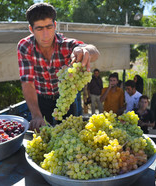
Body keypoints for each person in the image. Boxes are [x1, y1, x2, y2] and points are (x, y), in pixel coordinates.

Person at [17, 3, 100, 131]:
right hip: (41, 100)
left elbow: (93, 51)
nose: (45, 35)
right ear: (31, 29)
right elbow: (27, 82)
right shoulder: (25, 46)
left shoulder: (66, 45)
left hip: (66, 99)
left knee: (70, 132)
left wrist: (84, 50)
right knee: (44, 135)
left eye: (49, 27)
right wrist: (36, 115)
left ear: (55, 25)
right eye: (39, 29)